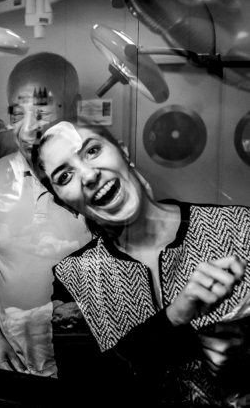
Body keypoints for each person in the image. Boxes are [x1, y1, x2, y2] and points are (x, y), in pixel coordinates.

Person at [33, 121, 250, 404]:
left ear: (124, 151)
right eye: (64, 177)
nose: (88, 175)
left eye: (93, 150)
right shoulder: (73, 277)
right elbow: (84, 391)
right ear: (64, 203)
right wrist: (172, 321)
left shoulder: (240, 227)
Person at [0, 52, 92, 376]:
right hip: (11, 367)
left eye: (41, 110)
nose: (28, 129)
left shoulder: (103, 179)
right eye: (17, 112)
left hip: (83, 367)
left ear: (73, 107)